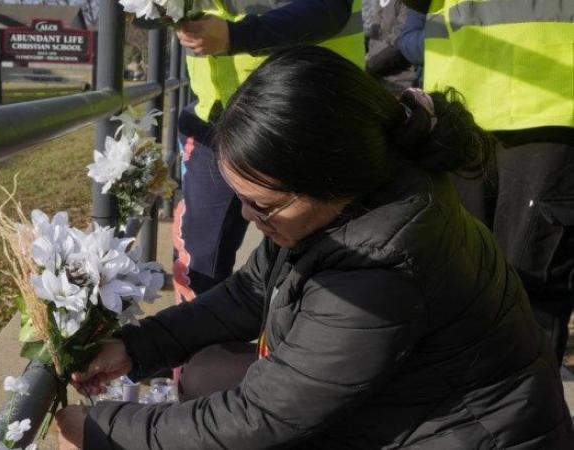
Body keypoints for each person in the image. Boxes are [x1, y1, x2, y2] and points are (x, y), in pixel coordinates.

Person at [56, 47, 573, 449]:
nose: (247, 218)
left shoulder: (382, 264)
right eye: (243, 200)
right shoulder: (356, 197)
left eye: (265, 206)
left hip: (461, 436)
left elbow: (263, 419)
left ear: (330, 177)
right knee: (207, 371)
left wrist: (104, 430)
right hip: (414, 409)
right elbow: (250, 292)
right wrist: (135, 347)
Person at [401, 0, 574, 365]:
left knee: (527, 287)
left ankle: (523, 413)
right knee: (455, 277)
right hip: (463, 109)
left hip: (551, 107)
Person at [171, 0, 365, 304]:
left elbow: (330, 8)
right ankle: (192, 348)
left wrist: (237, 36)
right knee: (199, 261)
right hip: (212, 119)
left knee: (312, 261)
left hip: (306, 119)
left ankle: (295, 342)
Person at [364, 0, 419, 94]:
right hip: (376, 80)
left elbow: (398, 46)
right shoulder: (381, 2)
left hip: (398, 85)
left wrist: (366, 67)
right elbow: (374, 37)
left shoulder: (408, 4)